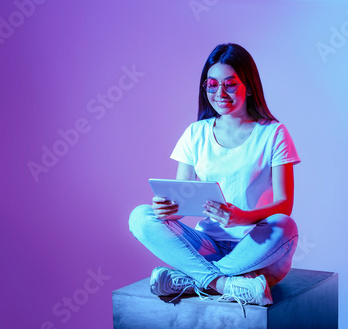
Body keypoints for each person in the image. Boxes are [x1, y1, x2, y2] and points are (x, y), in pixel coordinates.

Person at [129, 43, 301, 315]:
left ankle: (191, 280)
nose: (220, 93)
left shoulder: (273, 133)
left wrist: (241, 217)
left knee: (286, 225)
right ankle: (224, 283)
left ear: (250, 86)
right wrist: (168, 210)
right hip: (207, 245)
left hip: (254, 249)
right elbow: (182, 202)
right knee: (140, 216)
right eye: (211, 85)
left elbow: (284, 204)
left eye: (230, 84)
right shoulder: (195, 133)